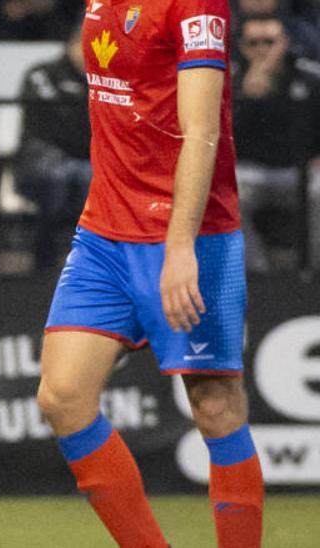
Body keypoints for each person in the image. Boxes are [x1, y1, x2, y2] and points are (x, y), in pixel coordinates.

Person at [36, 0, 263, 546]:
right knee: (61, 397)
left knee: (214, 406)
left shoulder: (194, 5)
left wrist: (180, 246)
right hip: (104, 233)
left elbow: (202, 127)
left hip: (191, 235)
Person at [231, 13, 320, 271]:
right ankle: (255, 272)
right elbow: (219, 138)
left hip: (300, 171)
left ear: (284, 42)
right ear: (243, 47)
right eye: (254, 43)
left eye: (269, 42)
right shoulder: (230, 81)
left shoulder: (309, 78)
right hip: (248, 172)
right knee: (224, 194)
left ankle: (314, 273)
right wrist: (246, 98)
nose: (262, 50)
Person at [13, 23, 92, 270]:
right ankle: (44, 260)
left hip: (87, 159)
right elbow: (48, 126)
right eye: (83, 44)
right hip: (43, 159)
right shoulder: (42, 73)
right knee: (56, 176)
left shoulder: (106, 81)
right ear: (70, 44)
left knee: (92, 178)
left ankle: (87, 263)